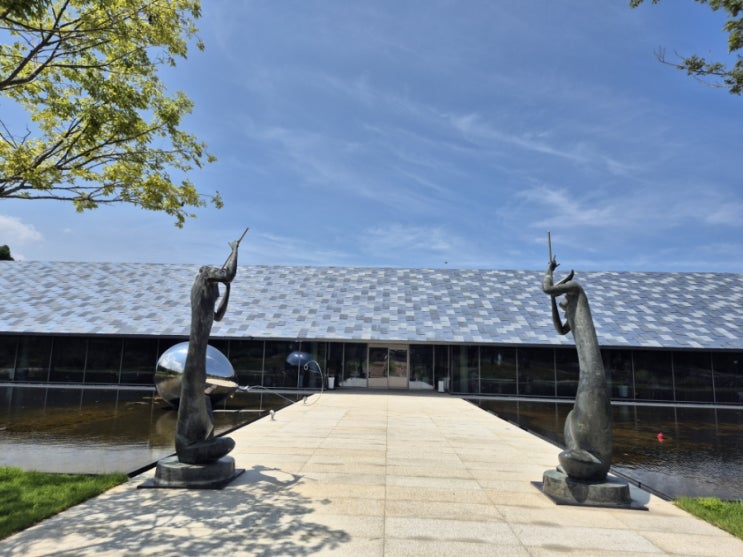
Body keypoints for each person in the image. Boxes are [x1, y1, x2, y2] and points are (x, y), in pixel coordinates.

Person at [542, 256, 613, 481]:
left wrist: (549, 270)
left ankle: (593, 458)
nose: (561, 302)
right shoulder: (572, 311)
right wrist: (552, 300)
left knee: (582, 415)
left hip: (592, 375)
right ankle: (579, 454)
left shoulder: (576, 290)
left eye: (561, 296)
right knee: (572, 417)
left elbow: (547, 288)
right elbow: (559, 328)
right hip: (587, 373)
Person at [176, 240, 240, 464]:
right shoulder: (203, 278)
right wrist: (235, 250)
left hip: (200, 354)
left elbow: (219, 316)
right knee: (195, 394)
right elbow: (228, 274)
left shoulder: (207, 299)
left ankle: (200, 437)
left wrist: (227, 291)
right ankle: (191, 443)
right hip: (195, 354)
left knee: (202, 398)